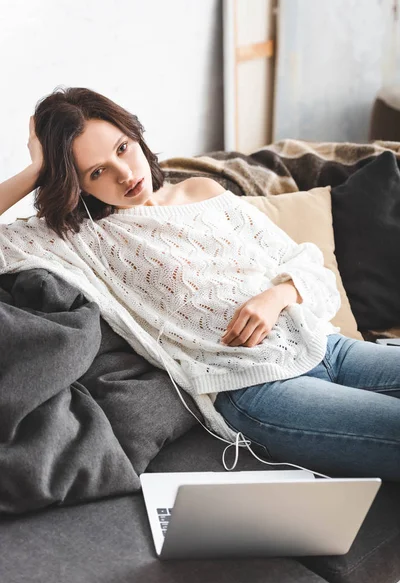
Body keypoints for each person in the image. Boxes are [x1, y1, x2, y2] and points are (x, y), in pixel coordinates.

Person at [1, 86, 399, 481]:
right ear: (79, 185)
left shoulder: (203, 191)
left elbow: (304, 261)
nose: (124, 174)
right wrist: (38, 169)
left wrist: (278, 295)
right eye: (97, 171)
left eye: (122, 148)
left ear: (135, 135)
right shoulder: (80, 239)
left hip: (328, 346)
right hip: (260, 390)